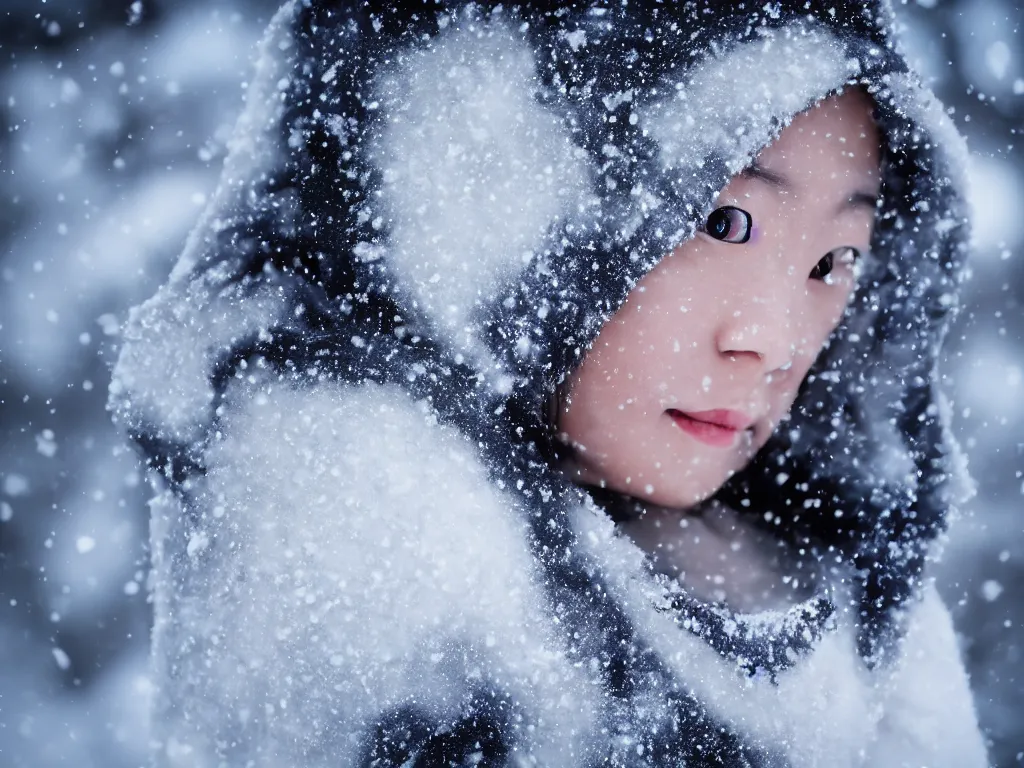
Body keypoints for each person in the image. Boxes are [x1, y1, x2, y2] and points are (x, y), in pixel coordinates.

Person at [110, 0, 988, 765]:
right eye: (722, 221)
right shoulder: (381, 559)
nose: (772, 340)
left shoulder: (851, 603)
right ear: (485, 189)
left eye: (836, 259)